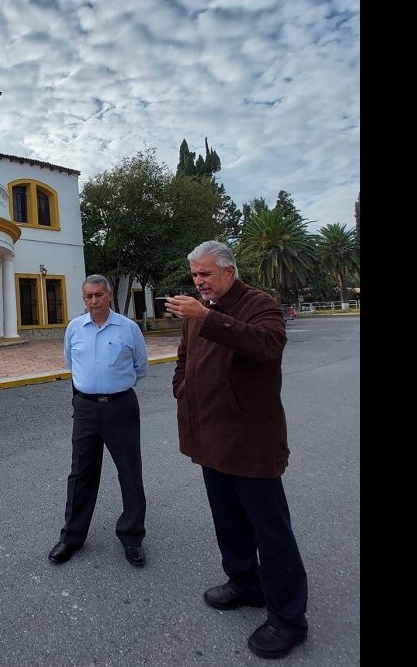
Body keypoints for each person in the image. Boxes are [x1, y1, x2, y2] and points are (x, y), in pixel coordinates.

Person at [165, 241, 308, 660]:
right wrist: (181, 387)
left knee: (271, 531)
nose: (198, 281)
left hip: (250, 441)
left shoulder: (259, 304)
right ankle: (245, 582)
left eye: (205, 273)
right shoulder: (198, 312)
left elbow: (267, 345)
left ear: (229, 272)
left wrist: (207, 317)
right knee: (228, 520)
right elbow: (184, 358)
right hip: (210, 437)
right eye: (195, 274)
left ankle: (289, 618)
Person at [49, 274, 148, 568]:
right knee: (81, 472)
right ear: (84, 299)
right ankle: (72, 537)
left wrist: (113, 386)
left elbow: (140, 367)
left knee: (129, 471)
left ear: (109, 295)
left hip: (121, 407)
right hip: (85, 409)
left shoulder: (129, 328)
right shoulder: (75, 328)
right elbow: (71, 364)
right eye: (88, 296)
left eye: (99, 295)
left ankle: (132, 537)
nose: (94, 301)